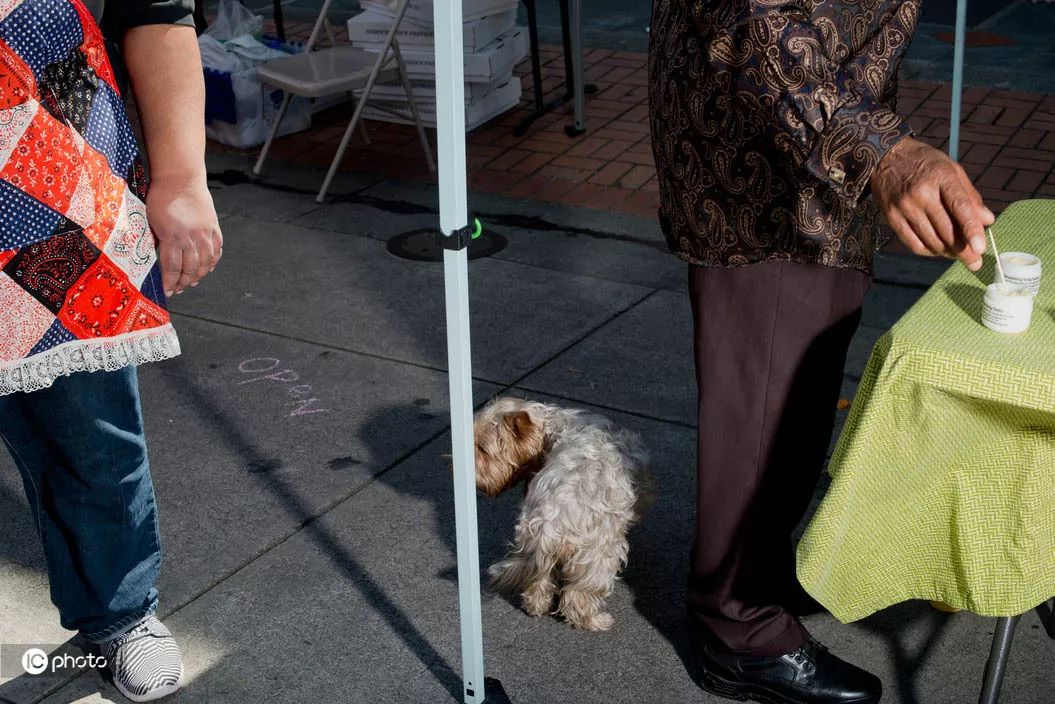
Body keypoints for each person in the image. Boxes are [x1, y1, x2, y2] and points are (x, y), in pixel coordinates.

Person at [648, 1, 994, 702]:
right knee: (763, 404)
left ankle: (760, 572)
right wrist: (880, 149)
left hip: (824, 150)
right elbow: (755, 15)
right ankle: (736, 627)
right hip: (758, 167)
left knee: (800, 390)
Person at [0, 0, 220, 701]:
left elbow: (155, 10)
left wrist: (183, 178)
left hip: (50, 183)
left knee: (88, 432)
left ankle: (118, 613)